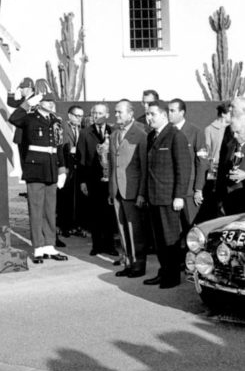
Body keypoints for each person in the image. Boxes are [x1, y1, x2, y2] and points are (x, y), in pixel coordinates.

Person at [8, 92, 67, 263]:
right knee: (36, 209)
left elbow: (59, 146)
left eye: (52, 101)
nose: (50, 104)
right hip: (35, 168)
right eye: (47, 101)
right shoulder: (29, 118)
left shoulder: (56, 121)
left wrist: (62, 169)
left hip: (51, 168)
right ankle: (38, 248)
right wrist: (27, 103)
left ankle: (49, 245)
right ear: (39, 103)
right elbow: (13, 118)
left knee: (50, 209)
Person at [137, 100, 190, 289]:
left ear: (164, 115)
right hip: (153, 196)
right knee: (159, 240)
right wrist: (143, 194)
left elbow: (183, 168)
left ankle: (172, 276)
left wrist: (179, 196)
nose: (149, 118)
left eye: (153, 114)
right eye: (148, 114)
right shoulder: (152, 136)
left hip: (168, 198)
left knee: (170, 239)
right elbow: (147, 169)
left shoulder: (176, 136)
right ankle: (164, 271)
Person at [109, 99, 148, 278]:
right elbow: (112, 165)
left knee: (135, 229)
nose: (116, 115)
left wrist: (141, 193)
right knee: (122, 227)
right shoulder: (114, 135)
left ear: (130, 113)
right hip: (117, 190)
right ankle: (127, 261)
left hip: (132, 190)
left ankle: (138, 264)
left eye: (120, 112)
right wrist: (111, 189)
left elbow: (143, 167)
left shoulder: (140, 135)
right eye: (115, 112)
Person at [78, 102, 116, 256]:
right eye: (94, 113)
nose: (97, 116)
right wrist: (82, 181)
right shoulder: (85, 133)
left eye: (100, 113)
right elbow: (81, 159)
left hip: (110, 180)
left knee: (109, 213)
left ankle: (110, 245)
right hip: (92, 179)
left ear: (107, 115)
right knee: (95, 214)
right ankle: (97, 245)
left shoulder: (113, 132)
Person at [168, 98, 206, 231]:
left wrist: (198, 189)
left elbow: (201, 162)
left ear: (182, 112)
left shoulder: (195, 132)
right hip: (171, 189)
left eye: (173, 111)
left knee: (191, 227)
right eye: (168, 110)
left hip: (189, 190)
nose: (169, 114)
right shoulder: (167, 132)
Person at [196, 102, 230, 223]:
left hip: (227, 168)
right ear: (224, 114)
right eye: (230, 112)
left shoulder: (231, 128)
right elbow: (208, 152)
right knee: (213, 199)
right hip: (214, 169)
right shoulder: (209, 129)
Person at [56, 104, 85, 241]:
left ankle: (76, 225)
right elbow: (60, 146)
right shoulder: (62, 127)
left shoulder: (82, 128)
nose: (80, 118)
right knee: (65, 197)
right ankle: (64, 226)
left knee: (77, 197)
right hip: (66, 165)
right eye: (77, 116)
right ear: (70, 115)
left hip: (77, 167)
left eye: (81, 116)